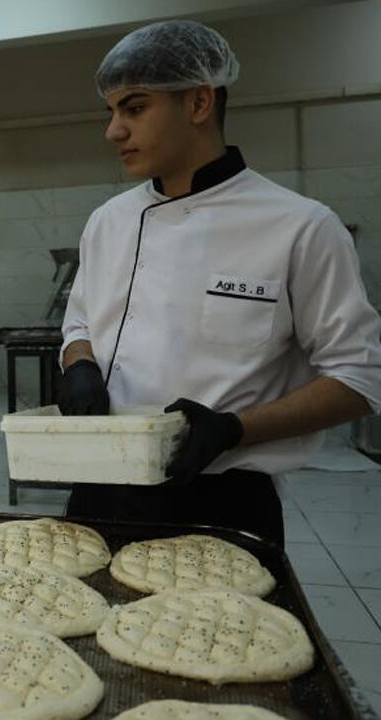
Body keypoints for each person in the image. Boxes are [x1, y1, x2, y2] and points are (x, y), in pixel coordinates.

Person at [58, 20, 381, 545]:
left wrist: (234, 429)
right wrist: (80, 363)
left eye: (134, 108)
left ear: (199, 104)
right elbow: (79, 323)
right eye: (112, 111)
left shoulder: (299, 226)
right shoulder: (108, 221)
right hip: (100, 480)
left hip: (224, 495)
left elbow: (360, 378)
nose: (113, 130)